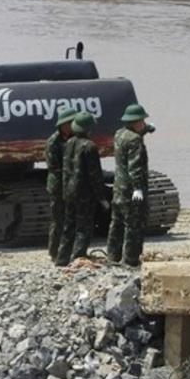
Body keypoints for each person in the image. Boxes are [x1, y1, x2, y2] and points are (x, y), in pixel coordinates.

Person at [55, 111, 108, 266]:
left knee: (68, 226)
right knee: (84, 227)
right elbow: (95, 175)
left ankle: (62, 258)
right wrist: (102, 197)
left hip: (69, 192)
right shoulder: (89, 146)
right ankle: (78, 257)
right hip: (84, 193)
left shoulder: (69, 143)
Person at [107, 103, 155, 267]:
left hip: (118, 188)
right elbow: (136, 167)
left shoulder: (119, 134)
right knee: (134, 225)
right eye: (141, 120)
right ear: (135, 122)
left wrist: (148, 129)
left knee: (117, 223)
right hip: (131, 190)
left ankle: (113, 256)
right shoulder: (135, 141)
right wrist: (138, 188)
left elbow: (138, 130)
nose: (143, 123)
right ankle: (131, 260)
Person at [45, 106, 79, 260]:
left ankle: (68, 250)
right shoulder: (53, 142)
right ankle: (54, 252)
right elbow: (54, 167)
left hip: (70, 184)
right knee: (58, 220)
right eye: (70, 123)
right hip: (58, 185)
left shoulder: (74, 138)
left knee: (71, 219)